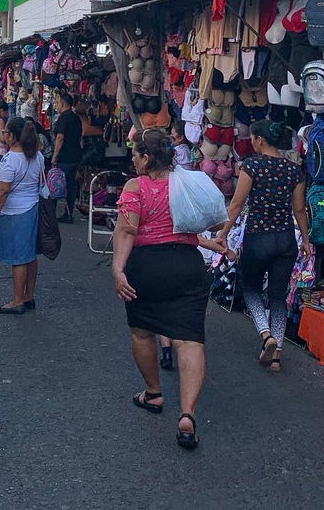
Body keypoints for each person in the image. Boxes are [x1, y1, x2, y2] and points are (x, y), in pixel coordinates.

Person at [112, 129, 211, 451]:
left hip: (147, 267)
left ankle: (153, 393)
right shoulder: (186, 181)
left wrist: (117, 269)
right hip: (187, 264)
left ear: (145, 157)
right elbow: (201, 221)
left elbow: (127, 230)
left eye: (135, 154)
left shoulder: (135, 187)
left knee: (142, 332)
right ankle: (187, 414)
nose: (132, 159)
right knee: (189, 339)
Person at [221, 119, 310, 372]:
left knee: (250, 289)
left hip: (258, 237)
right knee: (279, 296)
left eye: (252, 139)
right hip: (285, 240)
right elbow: (299, 209)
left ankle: (265, 334)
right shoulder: (294, 171)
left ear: (259, 140)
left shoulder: (253, 166)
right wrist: (305, 240)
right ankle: (277, 356)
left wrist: (224, 232)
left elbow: (237, 204)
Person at [0, 117, 44, 314]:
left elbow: (3, 191)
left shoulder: (10, 160)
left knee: (18, 257)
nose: (4, 135)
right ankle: (29, 296)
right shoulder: (38, 156)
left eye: (7, 132)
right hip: (32, 207)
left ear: (13, 136)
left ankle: (17, 300)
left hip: (15, 211)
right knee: (29, 255)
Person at [51, 92, 83, 223]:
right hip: (75, 156)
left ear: (62, 103)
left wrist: (54, 156)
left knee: (55, 184)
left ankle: (51, 213)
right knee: (70, 186)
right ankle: (68, 213)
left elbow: (60, 137)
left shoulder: (63, 118)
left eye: (58, 103)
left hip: (64, 157)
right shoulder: (76, 118)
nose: (57, 105)